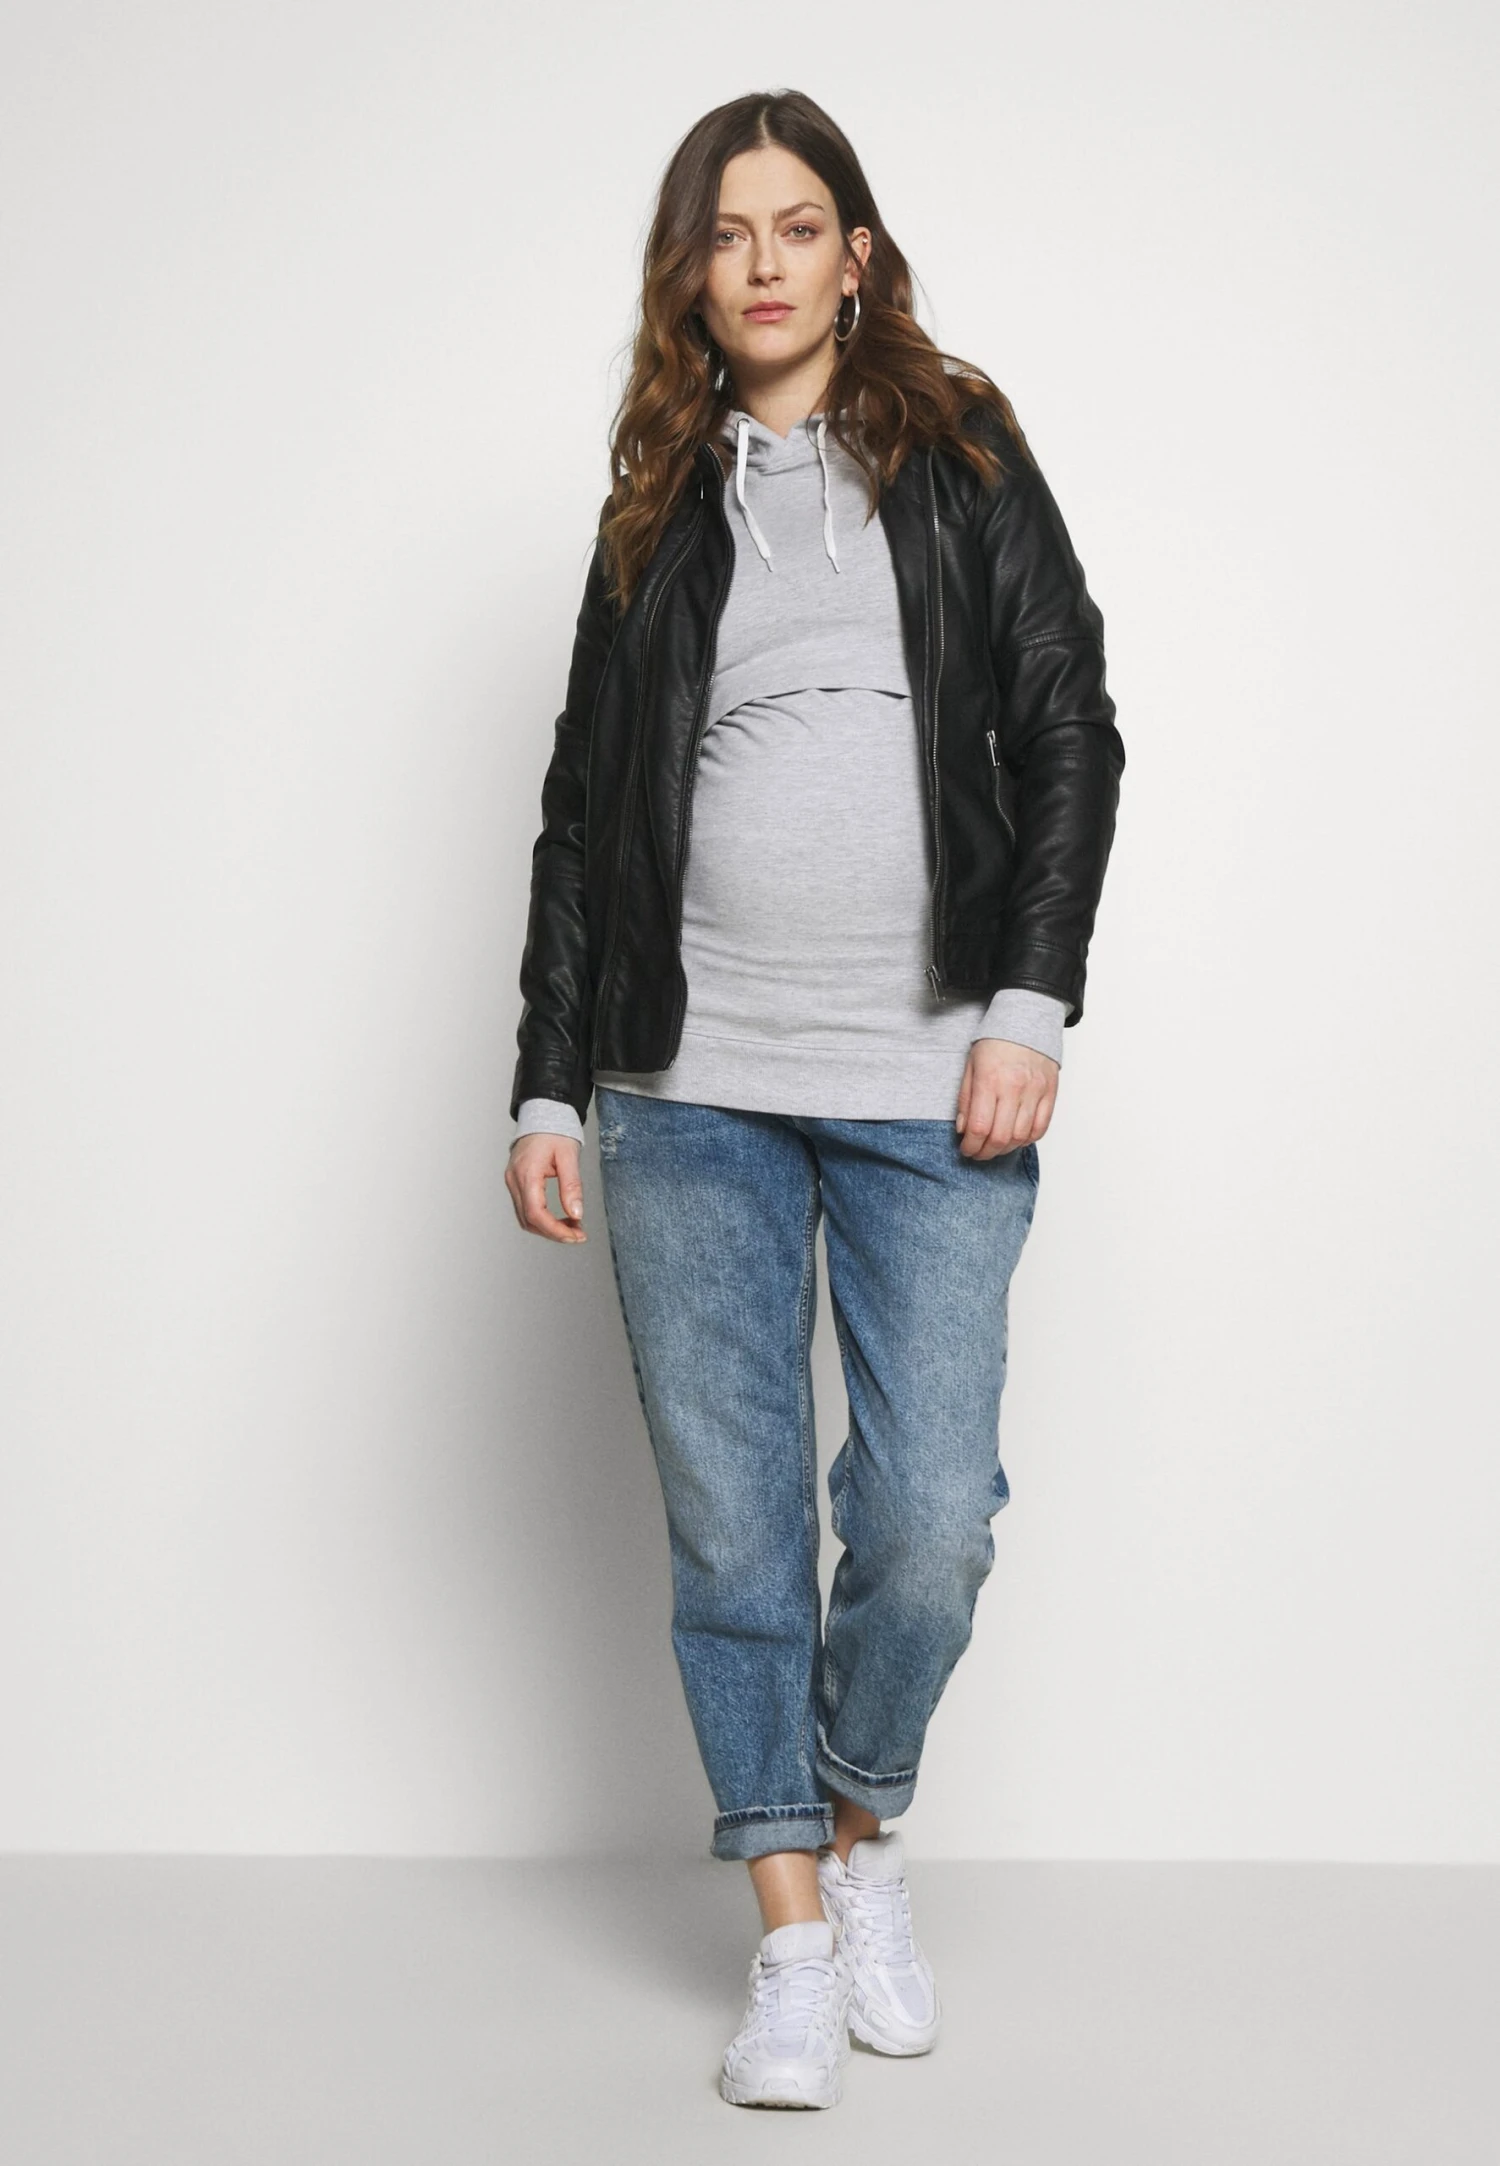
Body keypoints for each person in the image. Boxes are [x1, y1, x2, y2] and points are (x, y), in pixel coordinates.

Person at [505, 88, 1124, 2110]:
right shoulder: (656, 507)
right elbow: (582, 812)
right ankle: (788, 1929)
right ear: (691, 276)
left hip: (935, 1072)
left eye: (796, 225)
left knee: (930, 1521)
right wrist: (547, 1086)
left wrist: (1030, 1004)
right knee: (733, 1529)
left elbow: (1068, 720)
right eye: (725, 232)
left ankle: (862, 1834)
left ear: (856, 255)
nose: (760, 262)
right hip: (684, 1085)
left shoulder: (960, 452)